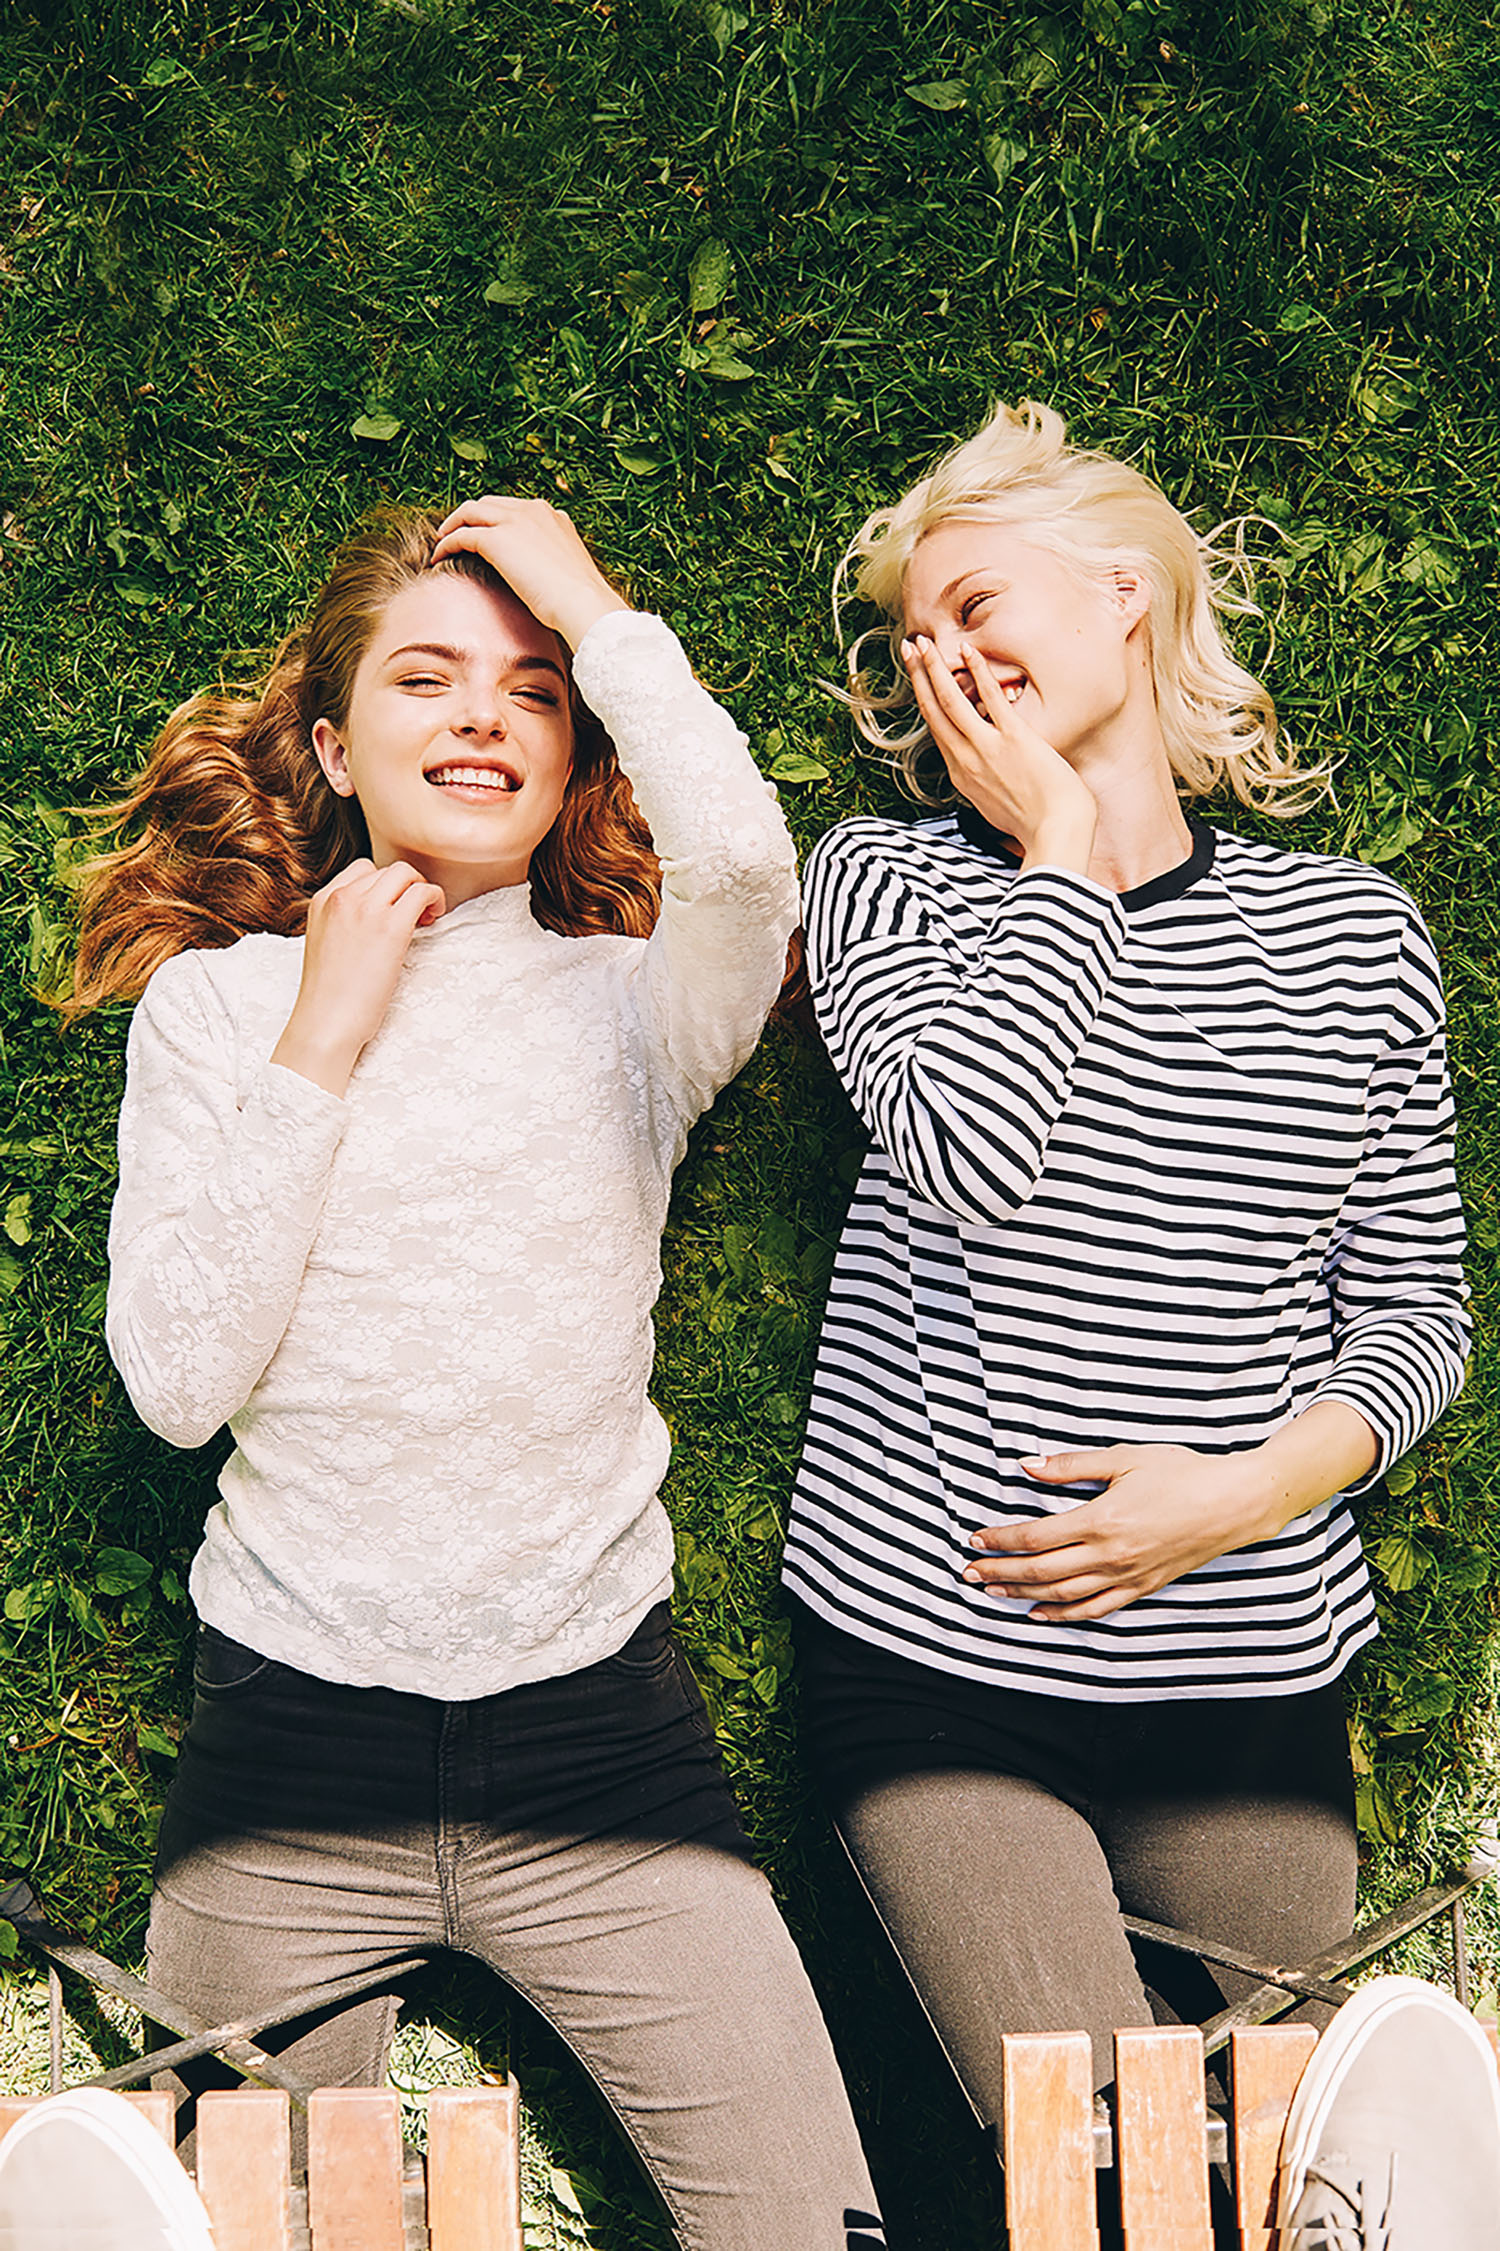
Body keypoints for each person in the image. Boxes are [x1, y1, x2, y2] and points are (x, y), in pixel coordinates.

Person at [74, 498, 886, 2251]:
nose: (482, 718)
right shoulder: (218, 1011)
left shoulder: (632, 1004)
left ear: (578, 750)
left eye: (533, 691)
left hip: (604, 1742)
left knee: (816, 2227)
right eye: (426, 678)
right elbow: (178, 1383)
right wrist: (325, 1032)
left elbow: (751, 874)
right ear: (330, 747)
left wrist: (595, 608)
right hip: (288, 1747)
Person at [779, 400, 1470, 2127]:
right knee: (1096, 2169)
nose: (947, 659)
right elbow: (970, 1153)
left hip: (1249, 1666)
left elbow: (1414, 1312)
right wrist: (1066, 856)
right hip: (942, 1662)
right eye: (917, 640)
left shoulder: (1353, 933)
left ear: (1124, 595)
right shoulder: (885, 882)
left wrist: (1236, 1498)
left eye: (976, 606)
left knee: (1296, 2169)